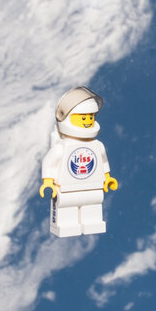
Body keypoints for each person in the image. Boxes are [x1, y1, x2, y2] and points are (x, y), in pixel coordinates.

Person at [39, 86, 117, 236]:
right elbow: (49, 162)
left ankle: (93, 224)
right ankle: (66, 227)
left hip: (93, 186)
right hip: (67, 188)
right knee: (66, 208)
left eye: (90, 116)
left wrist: (107, 178)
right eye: (83, 117)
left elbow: (103, 162)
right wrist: (48, 182)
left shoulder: (97, 145)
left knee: (93, 206)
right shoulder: (62, 147)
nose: (88, 121)